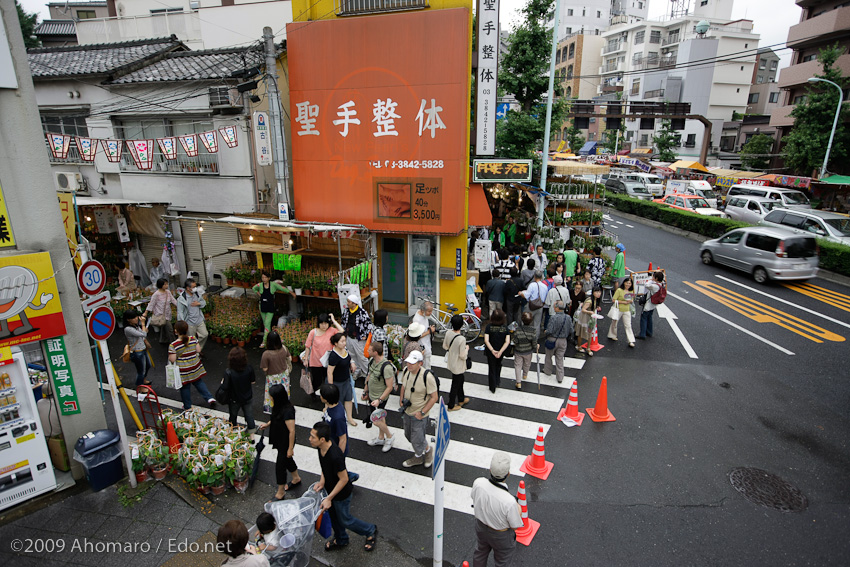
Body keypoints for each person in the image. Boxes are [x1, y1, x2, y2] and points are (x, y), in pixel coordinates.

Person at [310, 421, 377, 552]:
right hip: (331, 490)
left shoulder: (335, 455)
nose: (310, 439)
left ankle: (370, 530)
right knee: (334, 518)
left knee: (345, 520)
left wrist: (329, 498)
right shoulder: (320, 448)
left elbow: (344, 479)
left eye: (313, 437)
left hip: (341, 494)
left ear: (322, 439)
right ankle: (341, 539)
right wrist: (322, 481)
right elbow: (324, 467)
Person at [471, 452, 523, 567]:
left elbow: (474, 498)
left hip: (481, 526)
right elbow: (515, 526)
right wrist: (518, 509)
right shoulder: (509, 501)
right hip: (501, 535)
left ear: (490, 470)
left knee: (480, 552)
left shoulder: (478, 483)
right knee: (502, 561)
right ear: (508, 474)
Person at [259, 384, 301, 501]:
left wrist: (290, 448)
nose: (270, 398)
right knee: (287, 459)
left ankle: (281, 491)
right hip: (279, 437)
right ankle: (296, 478)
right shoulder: (279, 406)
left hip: (285, 442)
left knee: (280, 465)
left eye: (271, 396)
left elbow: (292, 431)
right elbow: (275, 417)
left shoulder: (288, 411)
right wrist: (267, 424)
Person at [398, 350, 438, 468]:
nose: (409, 365)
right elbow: (403, 386)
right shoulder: (406, 371)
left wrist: (422, 412)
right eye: (408, 362)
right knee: (408, 435)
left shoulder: (427, 377)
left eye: (412, 363)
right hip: (407, 411)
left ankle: (418, 457)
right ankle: (427, 449)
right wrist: (401, 400)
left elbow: (434, 397)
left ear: (420, 363)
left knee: (416, 438)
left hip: (419, 414)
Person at [169, 320, 216, 409]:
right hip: (195, 366)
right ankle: (209, 398)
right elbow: (198, 350)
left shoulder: (173, 345)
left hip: (183, 370)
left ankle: (187, 407)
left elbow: (172, 359)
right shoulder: (193, 339)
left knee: (185, 388)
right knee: (198, 382)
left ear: (176, 331)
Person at [363, 341, 395, 451]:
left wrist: (379, 400)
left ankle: (389, 437)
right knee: (380, 418)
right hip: (372, 396)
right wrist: (365, 391)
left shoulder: (386, 367)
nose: (367, 351)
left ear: (375, 352)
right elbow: (369, 375)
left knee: (376, 420)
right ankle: (381, 438)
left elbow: (389, 387)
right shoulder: (372, 361)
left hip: (379, 398)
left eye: (369, 350)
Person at [253, 272, 296, 348]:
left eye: (265, 277)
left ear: (269, 278)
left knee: (267, 323)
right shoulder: (260, 285)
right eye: (263, 277)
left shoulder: (273, 285)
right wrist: (259, 294)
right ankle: (269, 340)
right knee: (266, 323)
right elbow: (254, 288)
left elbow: (282, 288)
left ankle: (264, 341)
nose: (264, 279)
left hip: (270, 307)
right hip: (262, 306)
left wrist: (291, 292)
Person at [305, 314, 341, 401]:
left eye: (326, 323)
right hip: (315, 361)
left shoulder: (332, 331)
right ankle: (312, 391)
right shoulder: (313, 332)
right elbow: (307, 346)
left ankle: (326, 395)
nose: (324, 326)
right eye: (321, 323)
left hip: (328, 362)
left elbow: (341, 331)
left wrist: (334, 320)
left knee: (327, 379)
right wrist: (306, 359)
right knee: (317, 381)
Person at [327, 334, 358, 427]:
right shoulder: (333, 356)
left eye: (345, 341)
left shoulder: (345, 350)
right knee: (337, 402)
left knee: (348, 399)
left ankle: (349, 417)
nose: (344, 343)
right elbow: (329, 372)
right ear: (336, 343)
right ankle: (337, 418)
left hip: (346, 380)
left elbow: (349, 358)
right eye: (342, 341)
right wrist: (331, 387)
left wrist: (352, 363)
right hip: (337, 382)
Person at [224, 346, 256, 434]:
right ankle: (252, 432)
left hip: (234, 399)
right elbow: (253, 381)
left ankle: (233, 430)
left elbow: (225, 386)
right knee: (249, 415)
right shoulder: (249, 368)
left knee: (233, 415)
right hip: (247, 397)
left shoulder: (229, 372)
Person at [340, 294, 371, 379]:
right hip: (349, 337)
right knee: (352, 355)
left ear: (354, 303)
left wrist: (365, 335)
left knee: (362, 356)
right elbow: (343, 322)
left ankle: (367, 374)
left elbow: (368, 324)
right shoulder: (346, 311)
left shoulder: (362, 312)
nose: (347, 303)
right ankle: (357, 371)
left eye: (349, 302)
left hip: (359, 339)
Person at [443, 314, 470, 411]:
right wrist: (467, 349)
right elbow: (463, 356)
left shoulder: (448, 333)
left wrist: (452, 349)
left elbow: (445, 346)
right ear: (462, 325)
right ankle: (451, 405)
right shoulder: (461, 339)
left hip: (451, 360)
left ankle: (461, 399)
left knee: (460, 380)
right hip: (458, 364)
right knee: (456, 383)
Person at [260, 331, 292, 414]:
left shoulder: (266, 354)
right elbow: (290, 358)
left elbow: (265, 368)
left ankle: (272, 408)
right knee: (284, 392)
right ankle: (284, 407)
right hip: (284, 375)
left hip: (272, 377)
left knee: (272, 394)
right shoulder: (284, 348)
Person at [177, 278, 208, 351]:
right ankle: (193, 352)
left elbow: (204, 303)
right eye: (193, 287)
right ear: (188, 288)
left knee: (204, 334)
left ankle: (198, 349)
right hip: (190, 323)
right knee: (190, 340)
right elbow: (180, 312)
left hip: (199, 320)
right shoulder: (182, 298)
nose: (195, 288)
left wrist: (199, 303)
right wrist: (182, 324)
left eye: (195, 286)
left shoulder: (197, 294)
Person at [143, 278, 178, 344]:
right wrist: (146, 312)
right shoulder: (156, 294)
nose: (167, 285)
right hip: (160, 314)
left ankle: (163, 339)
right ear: (161, 285)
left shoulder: (168, 292)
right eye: (165, 284)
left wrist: (179, 306)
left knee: (164, 326)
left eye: (167, 284)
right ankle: (174, 343)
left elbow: (173, 300)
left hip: (167, 313)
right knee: (170, 329)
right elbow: (151, 304)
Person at [483, 309, 510, 393]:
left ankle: (492, 386)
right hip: (500, 350)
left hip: (490, 351)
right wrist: (500, 351)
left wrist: (492, 350)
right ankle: (497, 381)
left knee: (491, 367)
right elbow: (507, 341)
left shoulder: (488, 327)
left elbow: (486, 340)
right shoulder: (505, 328)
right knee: (498, 365)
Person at [544, 301, 571, 382]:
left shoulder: (553, 318)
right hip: (563, 341)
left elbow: (550, 330)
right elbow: (571, 330)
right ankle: (560, 377)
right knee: (559, 359)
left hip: (552, 339)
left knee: (549, 356)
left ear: (557, 308)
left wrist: (546, 332)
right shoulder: (568, 318)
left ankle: (547, 371)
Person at [123, 309, 151, 386]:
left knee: (148, 365)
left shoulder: (135, 326)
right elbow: (143, 334)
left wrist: (143, 328)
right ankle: (140, 386)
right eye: (133, 318)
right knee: (141, 371)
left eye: (136, 317)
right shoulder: (128, 329)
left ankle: (143, 380)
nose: (136, 319)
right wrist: (143, 324)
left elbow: (143, 333)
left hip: (143, 349)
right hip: (137, 352)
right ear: (128, 320)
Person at [518, 271, 547, 339]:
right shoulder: (545, 286)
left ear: (534, 277)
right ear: (541, 277)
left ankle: (525, 336)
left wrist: (521, 294)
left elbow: (526, 296)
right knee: (537, 323)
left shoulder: (532, 285)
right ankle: (535, 338)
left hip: (531, 306)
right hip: (540, 306)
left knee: (526, 321)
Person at [608, 277, 636, 347]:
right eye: (627, 283)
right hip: (618, 309)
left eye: (629, 283)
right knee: (614, 322)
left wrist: (631, 300)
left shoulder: (631, 291)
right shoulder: (619, 290)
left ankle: (631, 340)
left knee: (628, 325)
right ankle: (612, 335)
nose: (628, 284)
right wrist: (623, 302)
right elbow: (613, 300)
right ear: (624, 283)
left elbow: (632, 299)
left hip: (627, 310)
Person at [637, 271, 665, 340]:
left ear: (656, 278)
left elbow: (646, 285)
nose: (652, 278)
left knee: (643, 318)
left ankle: (642, 334)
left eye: (653, 277)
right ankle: (649, 332)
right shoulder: (662, 284)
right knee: (649, 317)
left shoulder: (654, 286)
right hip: (654, 304)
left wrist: (650, 280)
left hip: (648, 304)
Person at [575, 286, 603, 357]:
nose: (598, 293)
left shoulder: (596, 300)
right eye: (596, 292)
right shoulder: (589, 300)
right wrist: (590, 312)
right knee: (582, 332)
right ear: (593, 292)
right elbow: (583, 310)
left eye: (599, 292)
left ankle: (588, 348)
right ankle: (579, 346)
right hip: (585, 318)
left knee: (590, 332)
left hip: (590, 318)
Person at [512, 312, 536, 390]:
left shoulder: (517, 329)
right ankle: (525, 375)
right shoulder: (533, 330)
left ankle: (518, 382)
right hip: (528, 351)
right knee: (527, 364)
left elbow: (515, 341)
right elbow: (534, 342)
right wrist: (536, 346)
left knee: (518, 366)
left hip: (518, 351)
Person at [412, 300, 437, 369]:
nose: (431, 313)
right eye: (429, 311)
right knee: (424, 365)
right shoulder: (417, 320)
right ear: (423, 311)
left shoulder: (424, 316)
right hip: (422, 344)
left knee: (427, 362)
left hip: (426, 342)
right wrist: (429, 331)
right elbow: (416, 336)